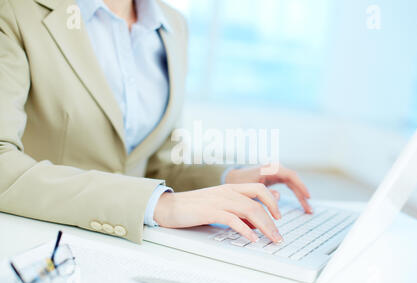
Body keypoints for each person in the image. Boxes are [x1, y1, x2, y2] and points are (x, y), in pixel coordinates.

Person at [0, 0, 312, 245]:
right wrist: (158, 205)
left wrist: (229, 178)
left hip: (137, 244)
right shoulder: (15, 10)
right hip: (45, 239)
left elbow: (154, 163)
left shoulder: (173, 24)